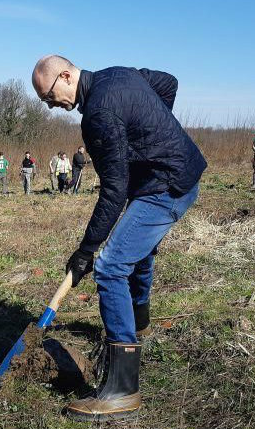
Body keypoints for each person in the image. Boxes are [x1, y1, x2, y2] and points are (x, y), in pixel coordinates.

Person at [32, 55, 207, 422]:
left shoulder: (98, 114)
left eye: (48, 96)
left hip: (167, 187)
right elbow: (168, 82)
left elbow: (114, 189)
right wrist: (151, 136)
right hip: (181, 173)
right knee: (137, 252)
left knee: (111, 265)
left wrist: (87, 249)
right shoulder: (118, 75)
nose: (50, 106)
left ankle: (122, 390)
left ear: (65, 76)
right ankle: (138, 324)